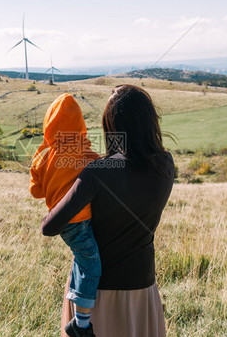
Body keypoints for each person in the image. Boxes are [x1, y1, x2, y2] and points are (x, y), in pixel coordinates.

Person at [41, 85, 174, 337]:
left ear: (110, 126)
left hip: (93, 297)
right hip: (143, 287)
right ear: (149, 123)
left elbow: (49, 227)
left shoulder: (98, 172)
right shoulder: (166, 164)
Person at [29, 93, 101, 337]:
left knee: (81, 261)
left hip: (62, 222)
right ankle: (80, 325)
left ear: (49, 124)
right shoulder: (84, 151)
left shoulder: (43, 155)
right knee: (91, 266)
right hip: (81, 221)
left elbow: (35, 190)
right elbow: (100, 169)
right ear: (80, 124)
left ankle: (73, 308)